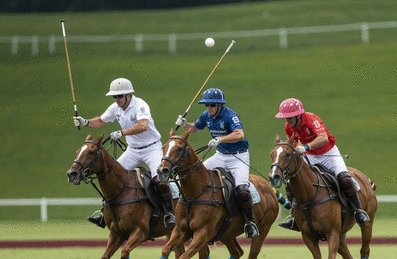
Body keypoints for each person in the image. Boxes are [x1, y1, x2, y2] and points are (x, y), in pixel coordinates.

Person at [73, 77, 175, 229]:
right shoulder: (115, 108)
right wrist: (85, 122)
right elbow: (101, 121)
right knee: (110, 177)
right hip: (132, 150)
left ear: (128, 95)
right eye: (115, 96)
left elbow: (143, 125)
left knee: (159, 180)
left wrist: (122, 132)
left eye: (120, 96)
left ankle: (169, 213)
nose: (117, 99)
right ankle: (103, 214)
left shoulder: (140, 105)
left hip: (151, 148)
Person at [274, 97, 370, 231]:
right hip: (310, 156)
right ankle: (294, 217)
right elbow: (295, 142)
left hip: (328, 153)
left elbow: (323, 138)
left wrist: (306, 147)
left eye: (290, 117)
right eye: (286, 118)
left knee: (345, 179)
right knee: (293, 181)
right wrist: (297, 148)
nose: (287, 121)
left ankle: (359, 211)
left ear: (298, 115)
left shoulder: (312, 119)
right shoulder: (288, 126)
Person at [175, 88, 259, 239]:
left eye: (212, 105)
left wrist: (220, 139)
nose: (209, 108)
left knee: (242, 190)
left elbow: (239, 134)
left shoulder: (229, 115)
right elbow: (194, 129)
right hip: (220, 156)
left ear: (220, 105)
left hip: (238, 157)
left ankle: (250, 222)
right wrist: (185, 124)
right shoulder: (206, 116)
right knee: (194, 176)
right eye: (207, 105)